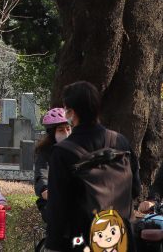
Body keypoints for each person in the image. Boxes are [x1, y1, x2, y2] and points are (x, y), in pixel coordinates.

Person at [45, 81, 140, 252]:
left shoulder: (63, 151)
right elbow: (135, 190)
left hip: (82, 240)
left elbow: (57, 206)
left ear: (71, 112)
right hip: (121, 239)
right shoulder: (120, 142)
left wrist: (53, 245)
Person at [35, 107, 72, 222]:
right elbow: (42, 174)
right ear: (52, 133)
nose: (66, 133)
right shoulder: (45, 152)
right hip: (55, 202)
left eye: (68, 129)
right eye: (61, 130)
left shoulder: (77, 149)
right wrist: (45, 189)